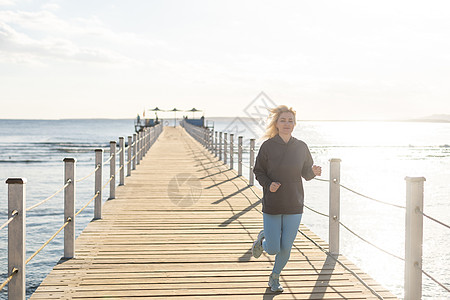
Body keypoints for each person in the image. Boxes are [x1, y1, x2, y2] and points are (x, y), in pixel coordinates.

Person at [252, 105, 322, 292]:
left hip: (294, 203)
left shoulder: (301, 146)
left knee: (286, 248)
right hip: (273, 203)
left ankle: (274, 277)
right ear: (276, 123)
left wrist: (313, 172)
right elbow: (258, 171)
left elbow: (306, 173)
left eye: (290, 120)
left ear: (295, 124)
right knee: (273, 248)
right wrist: (268, 184)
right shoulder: (268, 146)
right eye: (283, 120)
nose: (287, 124)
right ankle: (262, 240)